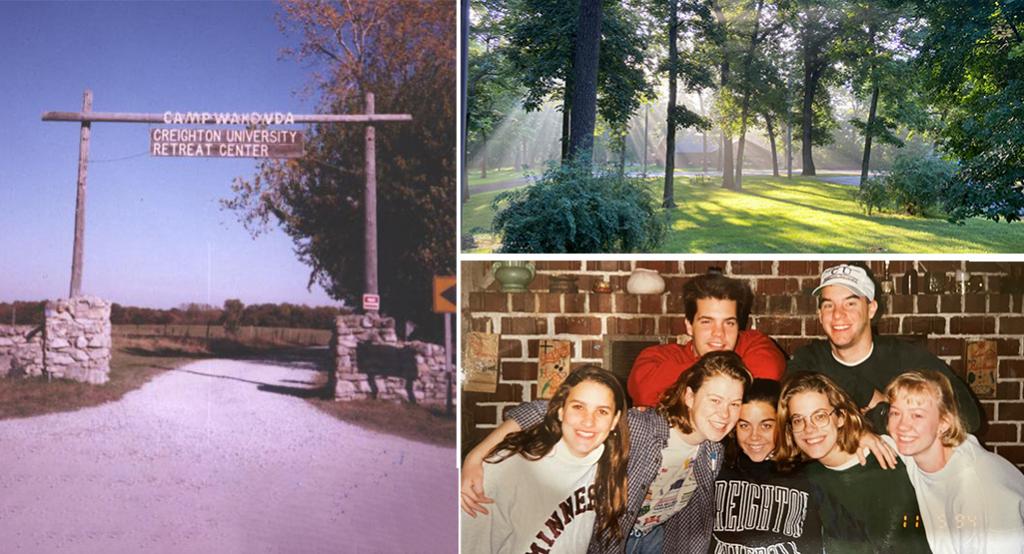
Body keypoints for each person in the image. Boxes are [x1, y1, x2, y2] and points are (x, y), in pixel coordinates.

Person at [462, 351, 753, 554]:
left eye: (734, 404)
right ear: (689, 396)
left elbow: (692, 517)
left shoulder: (713, 451)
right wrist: (475, 456)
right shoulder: (644, 427)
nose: (724, 414)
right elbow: (543, 410)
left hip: (656, 540)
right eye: (715, 400)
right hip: (613, 540)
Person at [786, 263, 981, 436]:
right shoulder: (809, 359)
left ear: (871, 309)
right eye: (828, 305)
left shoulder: (904, 357)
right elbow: (784, 410)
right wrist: (867, 394)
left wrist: (880, 417)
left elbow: (969, 417)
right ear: (820, 314)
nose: (838, 315)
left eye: (850, 303)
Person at [460, 366, 631, 553]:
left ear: (615, 421)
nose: (588, 421)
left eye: (602, 411)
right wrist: (474, 457)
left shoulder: (603, 465)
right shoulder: (506, 467)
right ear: (560, 411)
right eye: (578, 407)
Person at [775, 371, 931, 553]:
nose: (809, 429)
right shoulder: (807, 475)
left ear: (841, 417)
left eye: (820, 416)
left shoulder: (885, 463)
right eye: (798, 420)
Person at [885, 369, 1024, 553]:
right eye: (895, 413)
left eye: (917, 415)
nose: (902, 425)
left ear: (944, 424)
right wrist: (863, 436)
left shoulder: (976, 490)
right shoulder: (916, 450)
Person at [628, 272, 785, 407]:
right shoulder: (657, 358)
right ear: (689, 326)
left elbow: (767, 376)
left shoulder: (754, 343)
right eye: (707, 322)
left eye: (729, 322)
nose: (719, 333)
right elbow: (644, 393)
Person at [709, 379, 823, 553]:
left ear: (784, 425)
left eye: (766, 425)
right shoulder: (716, 464)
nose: (754, 437)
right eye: (744, 425)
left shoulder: (810, 469)